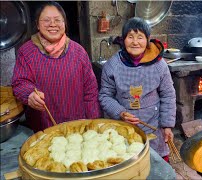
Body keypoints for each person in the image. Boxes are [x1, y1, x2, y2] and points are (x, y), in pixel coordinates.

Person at [12, 2, 101, 132]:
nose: (52, 24)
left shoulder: (79, 52)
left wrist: (93, 123)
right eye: (46, 20)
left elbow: (91, 91)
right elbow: (19, 82)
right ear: (37, 24)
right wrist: (29, 94)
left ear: (64, 23)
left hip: (77, 126)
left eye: (57, 20)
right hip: (43, 127)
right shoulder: (26, 52)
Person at [99, 17, 176, 161]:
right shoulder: (113, 65)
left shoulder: (159, 65)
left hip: (154, 125)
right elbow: (105, 96)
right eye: (130, 37)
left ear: (147, 40)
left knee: (156, 166)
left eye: (140, 37)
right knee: (129, 165)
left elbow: (168, 95)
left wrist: (167, 125)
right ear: (123, 40)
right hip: (124, 126)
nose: (135, 42)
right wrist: (120, 112)